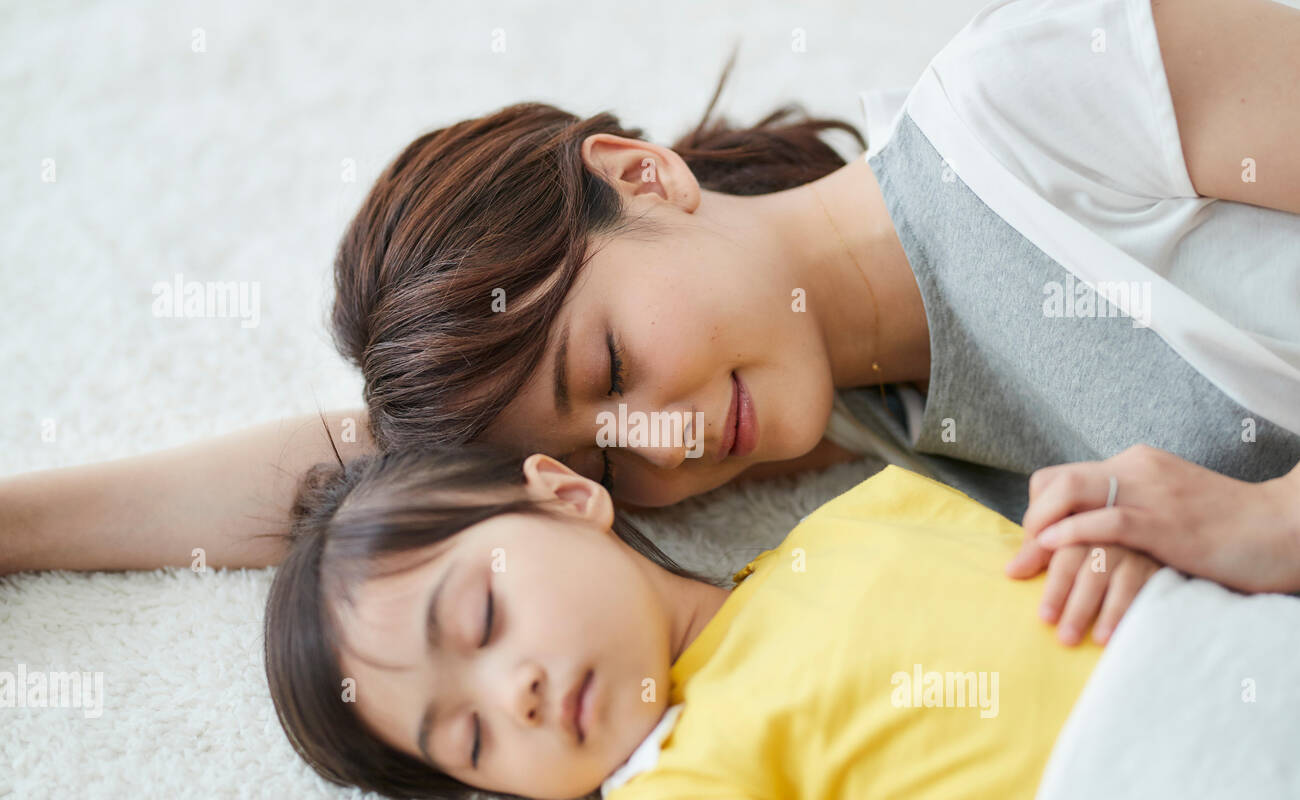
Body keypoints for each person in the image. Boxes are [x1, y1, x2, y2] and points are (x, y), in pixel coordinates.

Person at [5, 0, 1298, 646]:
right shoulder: (846, 412)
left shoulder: (1027, 105)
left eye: (611, 364)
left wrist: (1264, 526)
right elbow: (358, 477)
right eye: (611, 460)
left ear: (643, 175)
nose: (663, 443)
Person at [263, 439, 1163, 800]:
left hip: (1204, 653)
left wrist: (1112, 543)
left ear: (569, 497)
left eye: (484, 615)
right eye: (470, 739)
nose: (516, 696)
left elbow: (1053, 552)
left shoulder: (863, 512)